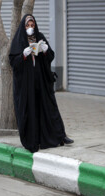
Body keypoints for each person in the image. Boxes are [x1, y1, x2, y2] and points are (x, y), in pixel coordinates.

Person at [9, 14, 74, 153]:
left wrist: (45, 50)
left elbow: (50, 56)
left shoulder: (40, 37)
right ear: (23, 26)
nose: (30, 28)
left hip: (41, 81)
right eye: (27, 25)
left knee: (49, 108)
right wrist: (23, 55)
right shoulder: (19, 40)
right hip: (26, 85)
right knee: (30, 110)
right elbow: (13, 62)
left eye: (32, 25)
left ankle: (59, 136)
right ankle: (32, 141)